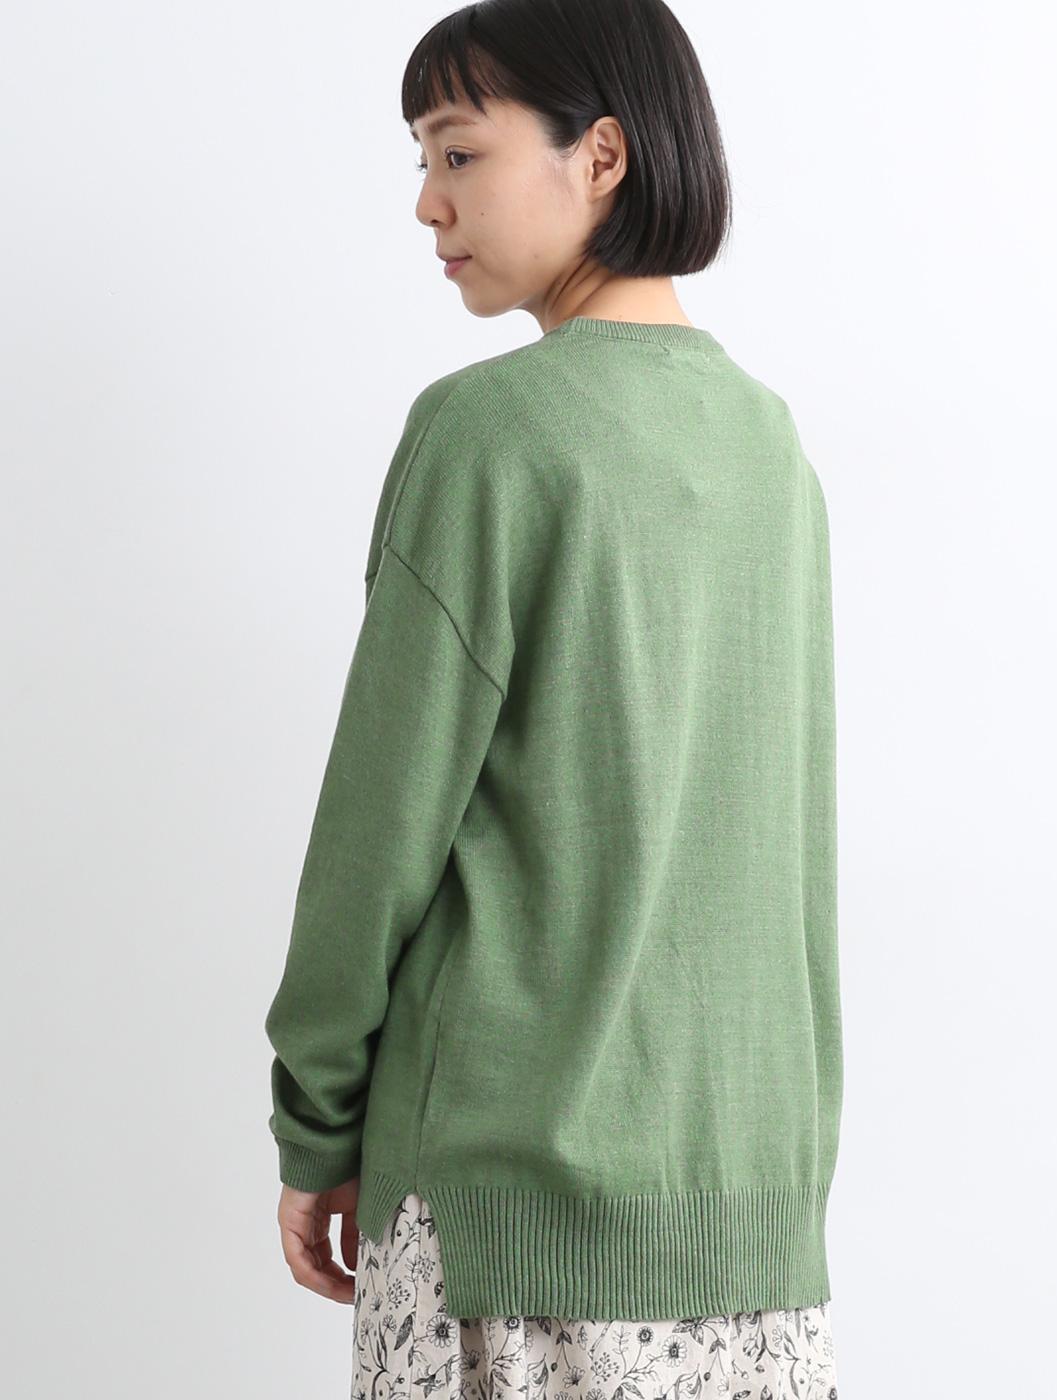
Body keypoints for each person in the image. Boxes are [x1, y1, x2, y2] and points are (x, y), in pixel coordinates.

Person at [263, 2, 843, 1397]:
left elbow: (379, 829)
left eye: (458, 153)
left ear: (602, 156)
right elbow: (792, 852)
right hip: (750, 1227)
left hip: (502, 1218)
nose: (427, 202)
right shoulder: (770, 446)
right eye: (421, 161)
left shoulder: (488, 433)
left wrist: (315, 1121)